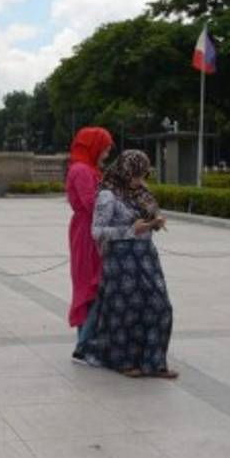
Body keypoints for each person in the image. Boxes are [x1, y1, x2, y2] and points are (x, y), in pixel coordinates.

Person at [79, 150, 176, 378]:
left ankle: (154, 361)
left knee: (160, 306)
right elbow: (97, 231)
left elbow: (147, 217)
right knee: (125, 310)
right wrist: (130, 230)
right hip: (120, 260)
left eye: (143, 174)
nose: (140, 180)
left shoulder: (142, 192)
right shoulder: (108, 195)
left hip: (146, 256)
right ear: (124, 172)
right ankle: (122, 361)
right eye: (136, 175)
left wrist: (154, 223)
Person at [66, 127, 114, 364]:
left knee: (89, 288)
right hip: (88, 232)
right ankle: (83, 346)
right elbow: (92, 204)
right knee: (94, 288)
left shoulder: (86, 168)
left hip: (87, 229)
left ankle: (85, 344)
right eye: (105, 148)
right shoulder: (83, 171)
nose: (106, 153)